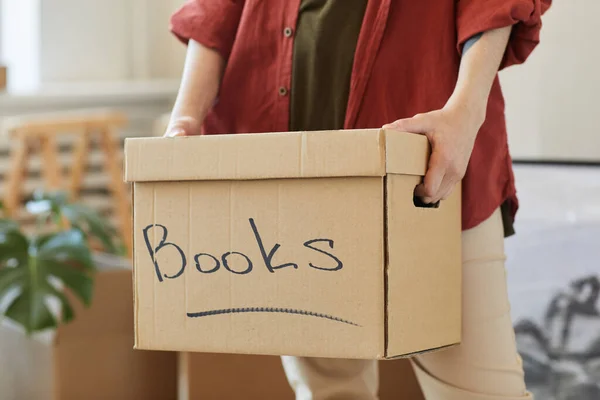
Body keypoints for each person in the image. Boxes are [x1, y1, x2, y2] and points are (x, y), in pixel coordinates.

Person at [165, 1, 552, 398]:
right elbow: (217, 11)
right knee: (329, 390)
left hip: (429, 162)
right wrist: (185, 119)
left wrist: (465, 114)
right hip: (291, 168)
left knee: (481, 391)